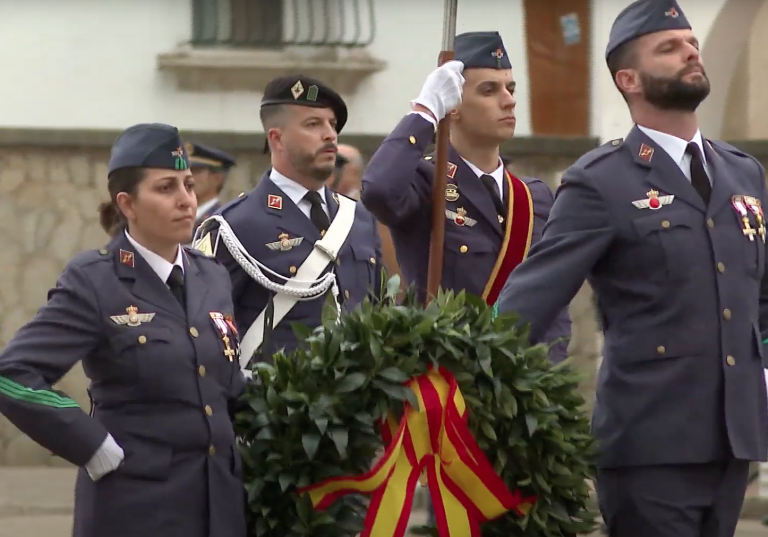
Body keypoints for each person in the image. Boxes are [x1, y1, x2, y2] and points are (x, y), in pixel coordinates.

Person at [496, 2, 768, 536]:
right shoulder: (602, 179)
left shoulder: (743, 173)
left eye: (691, 43)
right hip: (650, 447)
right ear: (629, 80)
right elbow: (529, 300)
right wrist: (473, 386)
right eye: (669, 48)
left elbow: (760, 296)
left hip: (733, 443)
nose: (690, 52)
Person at [0, 124, 247, 537]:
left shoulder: (212, 275)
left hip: (219, 508)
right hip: (136, 507)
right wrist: (91, 445)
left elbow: (221, 382)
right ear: (127, 204)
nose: (186, 200)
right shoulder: (96, 279)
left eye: (188, 185)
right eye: (166, 188)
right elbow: (12, 374)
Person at [361, 30, 571, 363]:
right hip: (447, 381)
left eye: (510, 88)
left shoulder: (534, 197)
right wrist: (426, 112)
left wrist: (549, 369)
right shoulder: (427, 181)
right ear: (454, 105)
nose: (509, 100)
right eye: (489, 90)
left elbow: (552, 296)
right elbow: (379, 190)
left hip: (524, 379)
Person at [194, 75, 382, 373]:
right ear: (277, 139)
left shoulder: (358, 218)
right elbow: (206, 335)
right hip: (273, 398)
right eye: (313, 124)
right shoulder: (233, 226)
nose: (329, 135)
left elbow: (379, 309)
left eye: (332, 124)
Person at [186, 141, 237, 231]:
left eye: (195, 172)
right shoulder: (178, 217)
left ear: (217, 178)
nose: (188, 177)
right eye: (185, 171)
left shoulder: (223, 222)